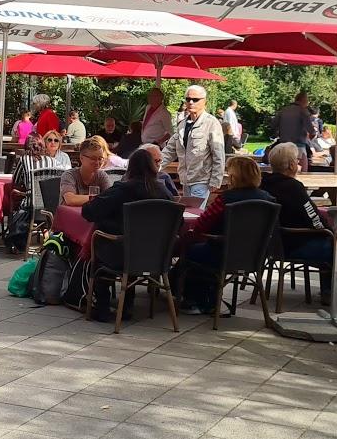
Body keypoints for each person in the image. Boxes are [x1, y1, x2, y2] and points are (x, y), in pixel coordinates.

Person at [176, 154, 275, 314]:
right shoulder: (268, 200)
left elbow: (202, 225)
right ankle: (208, 298)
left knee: (190, 251)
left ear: (234, 177)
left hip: (221, 253)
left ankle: (195, 299)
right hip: (255, 256)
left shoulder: (226, 199)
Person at [82, 147, 173, 322]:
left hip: (123, 255)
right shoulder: (164, 192)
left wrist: (109, 219)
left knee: (102, 245)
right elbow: (178, 223)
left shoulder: (122, 190)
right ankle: (127, 305)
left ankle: (102, 307)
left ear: (130, 168)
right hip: (158, 257)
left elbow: (89, 212)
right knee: (126, 241)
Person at [261, 142, 332, 297]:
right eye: (297, 160)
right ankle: (330, 292)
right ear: (292, 165)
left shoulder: (263, 183)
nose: (298, 162)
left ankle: (329, 292)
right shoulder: (293, 187)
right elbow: (315, 220)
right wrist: (330, 231)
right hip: (294, 244)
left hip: (270, 245)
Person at [160, 85, 225, 202]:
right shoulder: (182, 124)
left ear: (204, 101)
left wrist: (216, 180)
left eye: (195, 99)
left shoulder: (211, 123)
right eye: (188, 99)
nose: (190, 102)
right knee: (189, 211)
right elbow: (170, 150)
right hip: (185, 180)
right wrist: (154, 166)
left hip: (202, 180)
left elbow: (218, 154)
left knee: (194, 211)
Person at [59, 136, 114, 206]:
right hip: (70, 213)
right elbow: (71, 200)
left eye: (100, 159)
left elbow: (110, 198)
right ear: (81, 158)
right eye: (93, 158)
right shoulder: (69, 175)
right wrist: (100, 198)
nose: (97, 162)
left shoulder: (102, 176)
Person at [274, 92, 315, 171]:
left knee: (284, 169)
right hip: (299, 145)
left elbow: (273, 125)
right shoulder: (303, 111)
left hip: (284, 145)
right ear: (304, 101)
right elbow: (311, 130)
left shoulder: (283, 110)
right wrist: (310, 138)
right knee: (303, 170)